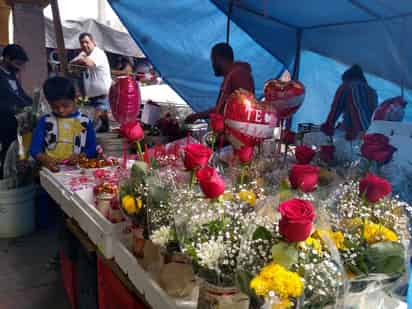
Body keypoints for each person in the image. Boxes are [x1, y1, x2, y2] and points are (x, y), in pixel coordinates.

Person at [30, 76, 97, 172]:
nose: (61, 110)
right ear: (49, 103)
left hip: (77, 170)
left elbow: (92, 148)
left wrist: (80, 156)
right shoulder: (45, 121)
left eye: (65, 105)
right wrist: (45, 159)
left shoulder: (84, 121)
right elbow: (35, 149)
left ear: (75, 99)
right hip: (50, 170)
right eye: (54, 107)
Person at [185, 42, 255, 122]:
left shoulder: (239, 74)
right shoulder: (231, 76)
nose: (212, 64)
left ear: (219, 59)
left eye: (213, 60)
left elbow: (244, 109)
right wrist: (197, 116)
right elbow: (221, 109)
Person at [321, 64, 378, 140]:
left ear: (347, 78)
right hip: (371, 133)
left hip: (352, 134)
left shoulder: (347, 86)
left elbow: (336, 108)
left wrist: (328, 126)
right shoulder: (371, 91)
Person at [0, 44, 32, 177]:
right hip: (3, 120)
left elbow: (20, 94)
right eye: (17, 63)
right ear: (7, 58)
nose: (19, 67)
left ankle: (14, 173)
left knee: (17, 147)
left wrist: (33, 103)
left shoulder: (12, 75)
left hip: (15, 120)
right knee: (7, 149)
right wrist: (17, 108)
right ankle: (4, 175)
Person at [71, 32, 112, 132]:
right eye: (82, 43)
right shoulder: (83, 54)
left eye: (87, 42)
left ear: (93, 42)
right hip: (92, 96)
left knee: (92, 125)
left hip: (103, 95)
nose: (84, 45)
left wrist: (81, 60)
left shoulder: (98, 53)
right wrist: (81, 60)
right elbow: (71, 65)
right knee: (101, 126)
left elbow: (89, 63)